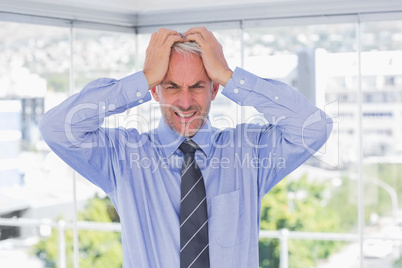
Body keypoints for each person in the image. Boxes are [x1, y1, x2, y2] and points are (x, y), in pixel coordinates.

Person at [39, 27, 333, 268]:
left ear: (214, 89)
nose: (184, 102)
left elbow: (314, 127)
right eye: (171, 86)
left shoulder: (248, 153)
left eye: (197, 86)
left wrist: (231, 77)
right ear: (154, 91)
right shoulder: (123, 157)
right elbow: (57, 128)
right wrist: (141, 80)